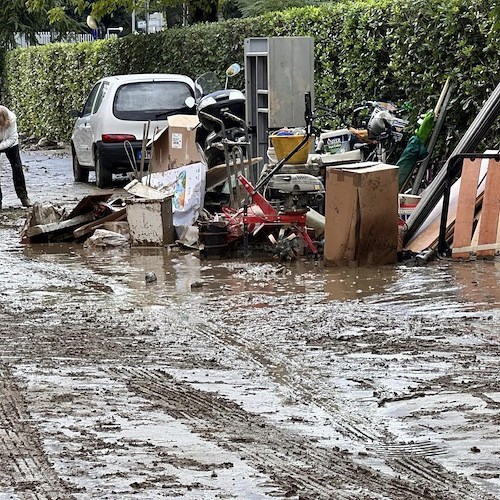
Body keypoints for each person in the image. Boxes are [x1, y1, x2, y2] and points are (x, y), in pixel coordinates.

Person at [0, 105, 31, 209]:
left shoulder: (12, 119)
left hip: (11, 144)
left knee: (17, 167)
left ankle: (23, 197)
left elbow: (13, 137)